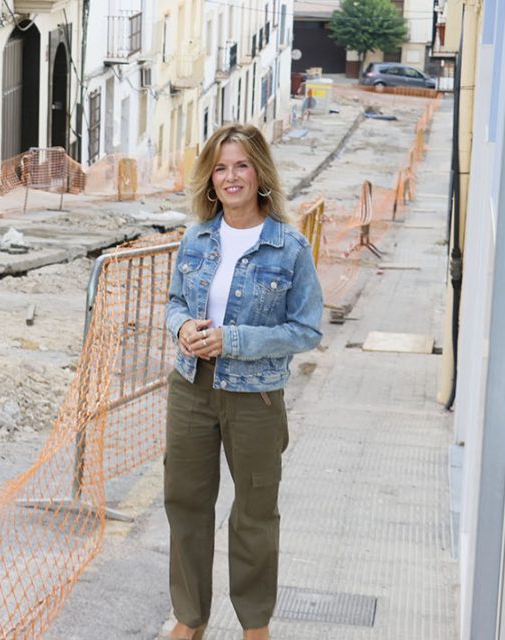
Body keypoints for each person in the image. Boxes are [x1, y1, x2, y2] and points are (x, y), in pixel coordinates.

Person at [160, 124, 324, 640]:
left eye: (242, 165)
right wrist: (183, 327)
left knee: (254, 512)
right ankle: (190, 619)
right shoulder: (197, 236)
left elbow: (306, 329)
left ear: (260, 174)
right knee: (185, 504)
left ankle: (255, 626)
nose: (231, 177)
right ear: (211, 178)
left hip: (254, 396)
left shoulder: (289, 246)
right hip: (191, 388)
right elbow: (174, 305)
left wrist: (233, 340)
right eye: (221, 167)